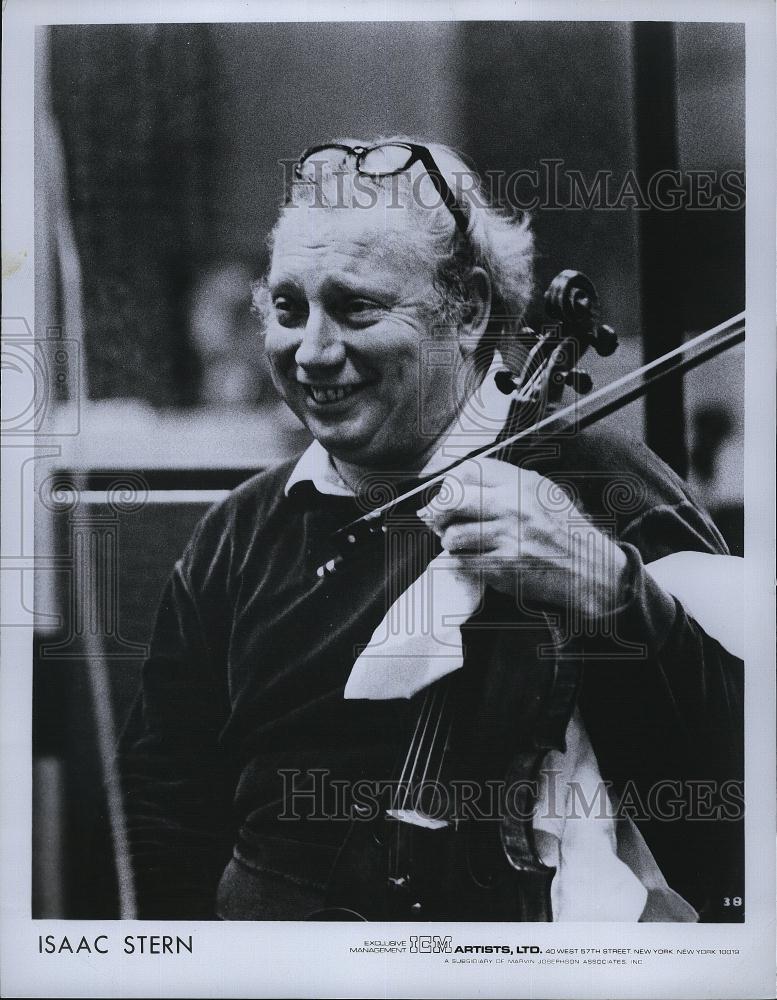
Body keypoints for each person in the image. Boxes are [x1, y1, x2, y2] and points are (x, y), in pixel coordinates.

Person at [118, 137, 743, 922]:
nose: (311, 351)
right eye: (287, 308)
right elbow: (164, 814)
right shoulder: (237, 532)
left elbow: (738, 826)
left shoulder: (605, 490)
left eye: (356, 308)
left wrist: (612, 590)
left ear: (471, 309)